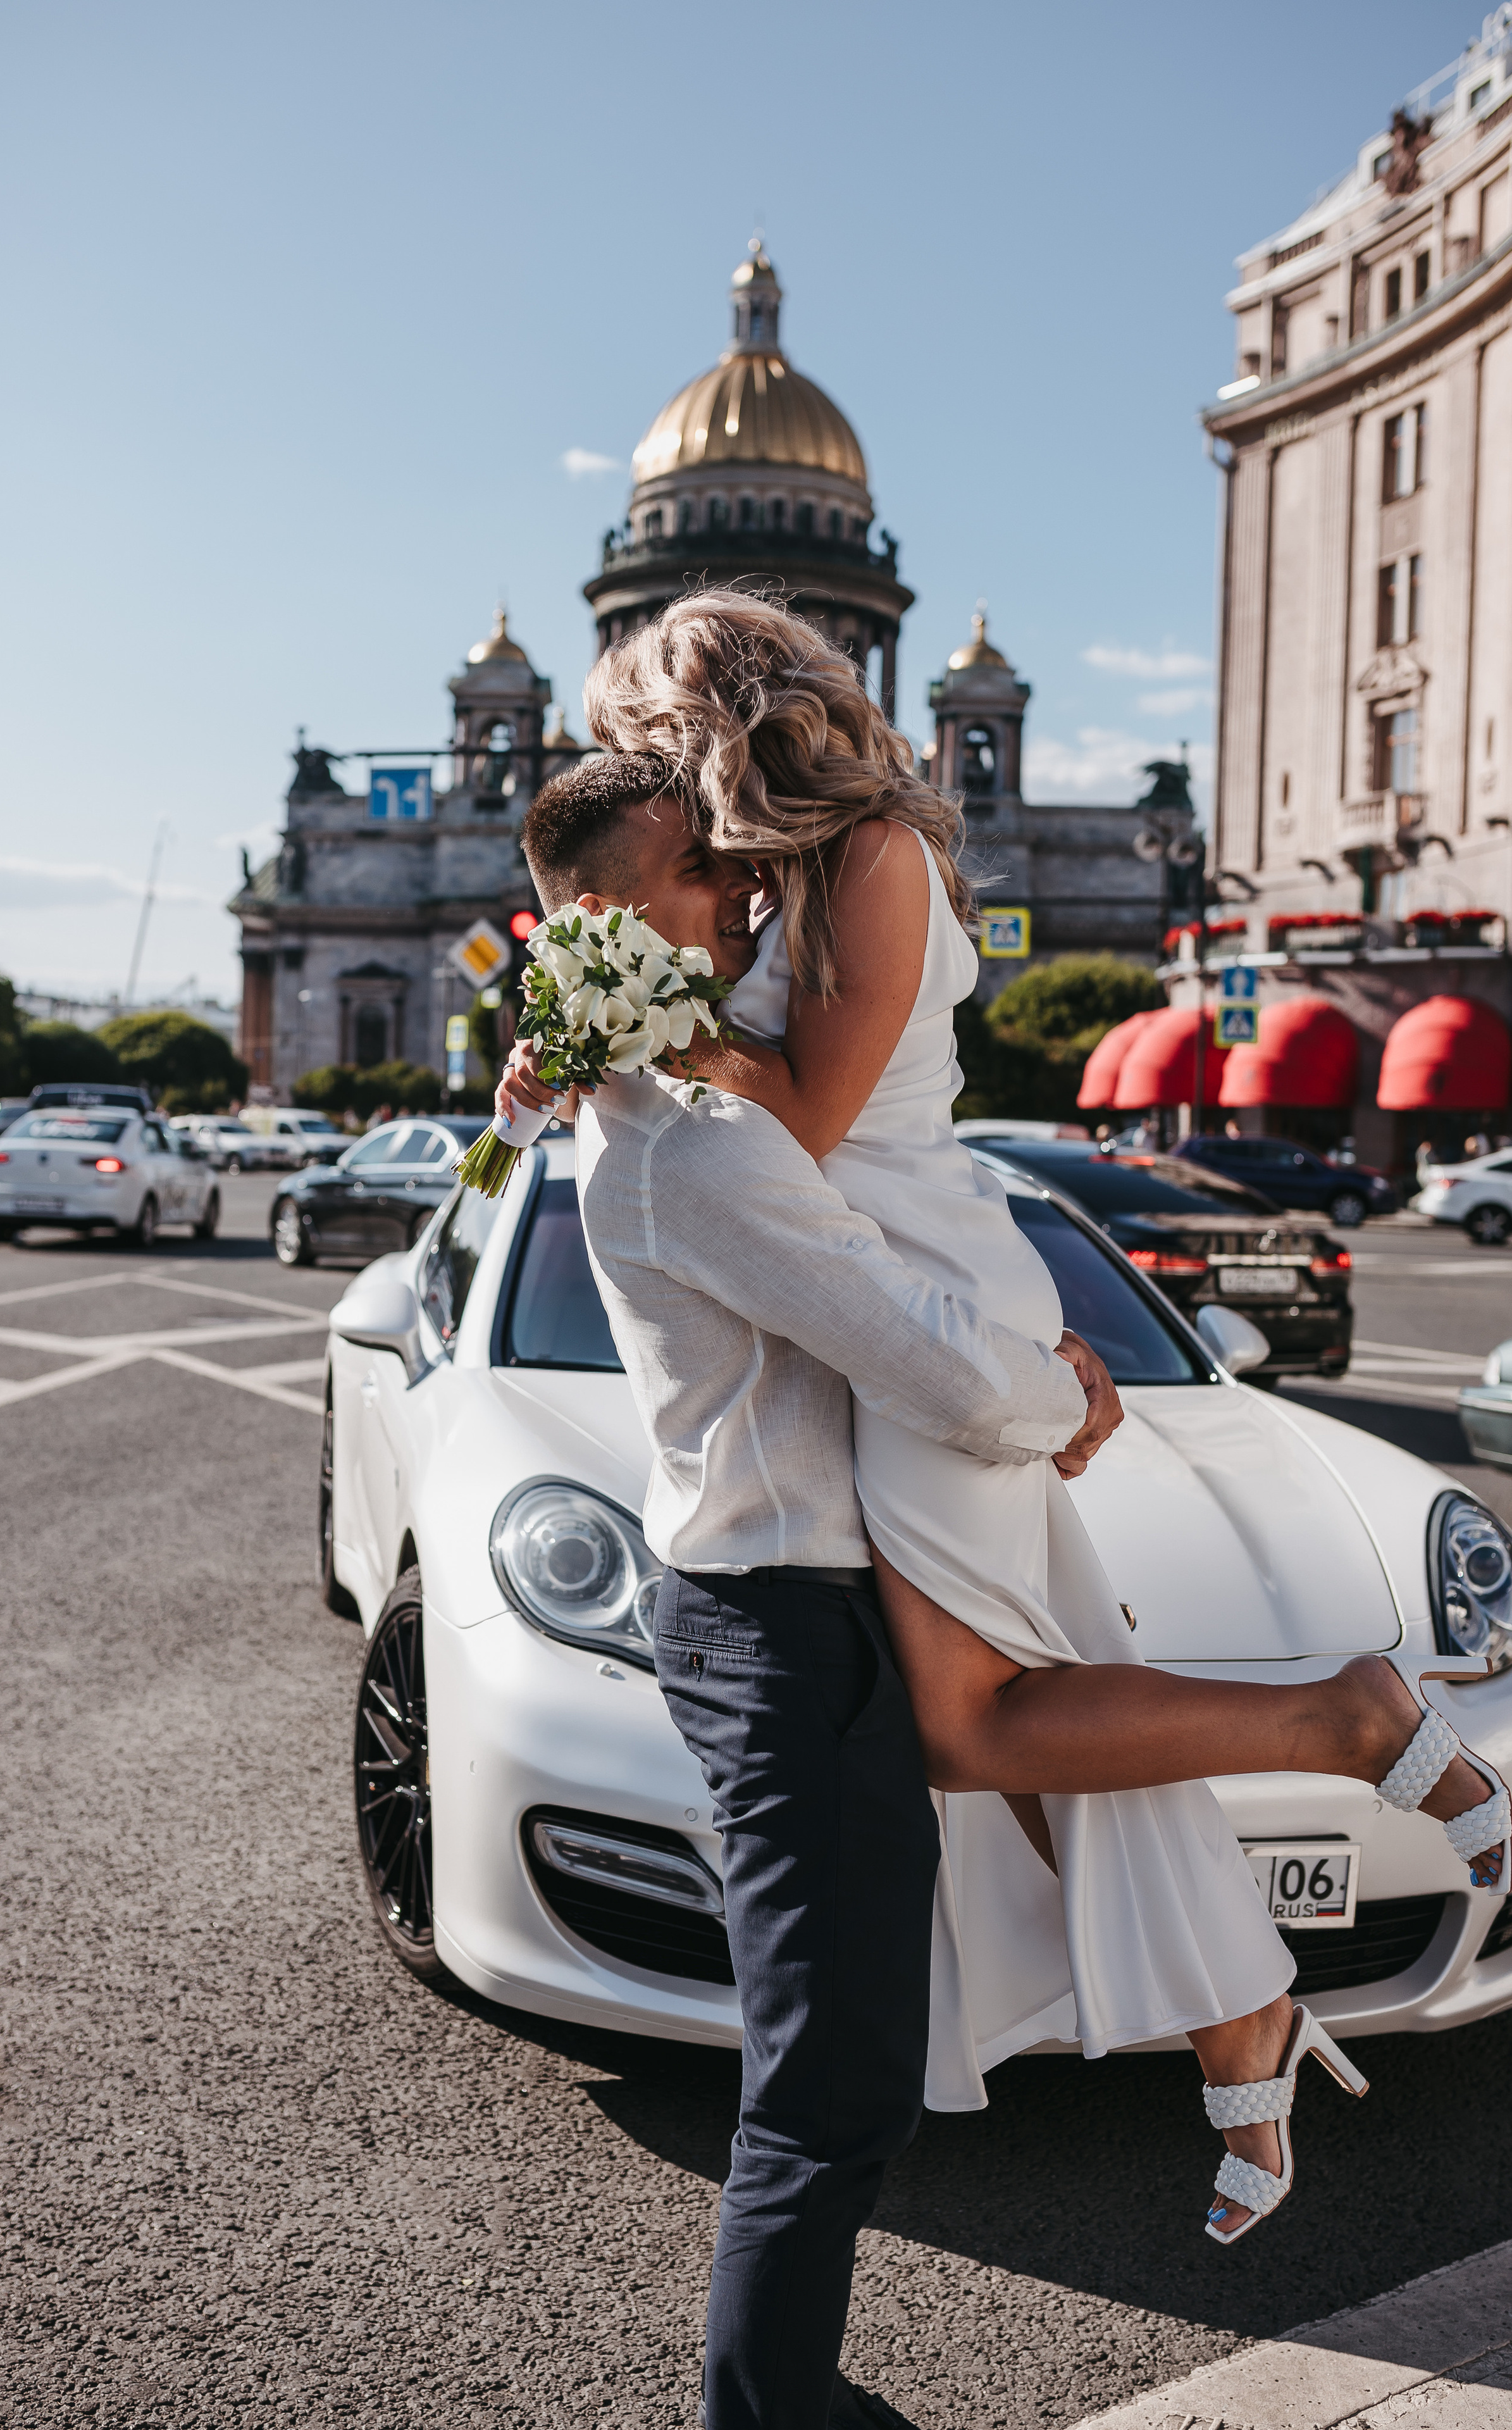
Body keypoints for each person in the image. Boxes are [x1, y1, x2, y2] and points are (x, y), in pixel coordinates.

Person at [499, 597, 1507, 2261]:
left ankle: (1345, 1720)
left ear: (718, 708)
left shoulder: (877, 850)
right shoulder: (774, 879)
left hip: (927, 1295)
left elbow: (804, 1121)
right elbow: (741, 1103)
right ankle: (1243, 2025)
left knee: (975, 1727)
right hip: (870, 1291)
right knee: (1034, 1708)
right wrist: (587, 1033)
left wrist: (630, 1033)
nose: (642, 769)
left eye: (648, 729)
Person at [514, 749, 1103, 2430]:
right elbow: (924, 1359)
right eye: (712, 868)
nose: (754, 888)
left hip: (786, 1607)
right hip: (789, 1626)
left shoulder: (659, 1109)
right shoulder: (694, 1147)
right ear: (629, 914)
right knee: (829, 2088)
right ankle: (768, 2411)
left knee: (841, 2068)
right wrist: (1070, 1388)